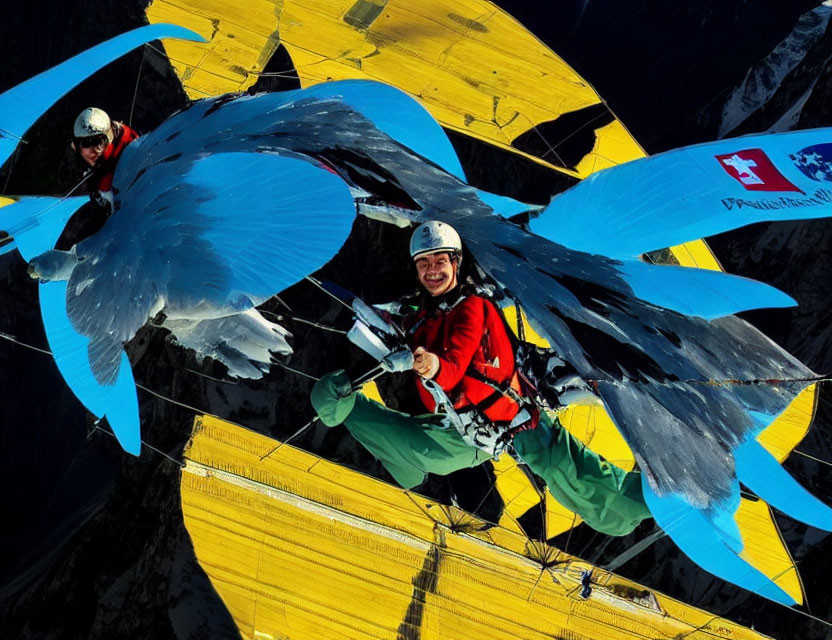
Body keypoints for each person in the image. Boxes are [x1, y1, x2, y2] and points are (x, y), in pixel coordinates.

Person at [311, 221, 651, 536]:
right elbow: (402, 326)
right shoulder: (421, 315)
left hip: (514, 423)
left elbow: (454, 365)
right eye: (424, 263)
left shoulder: (473, 306)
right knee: (410, 446)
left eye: (439, 261)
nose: (432, 270)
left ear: (455, 263)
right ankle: (349, 411)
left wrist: (423, 361)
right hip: (463, 433)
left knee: (590, 490)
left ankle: (659, 498)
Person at [71, 107, 139, 212]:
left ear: (109, 138)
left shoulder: (130, 160)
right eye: (85, 144)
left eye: (97, 141)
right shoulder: (98, 162)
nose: (92, 151)